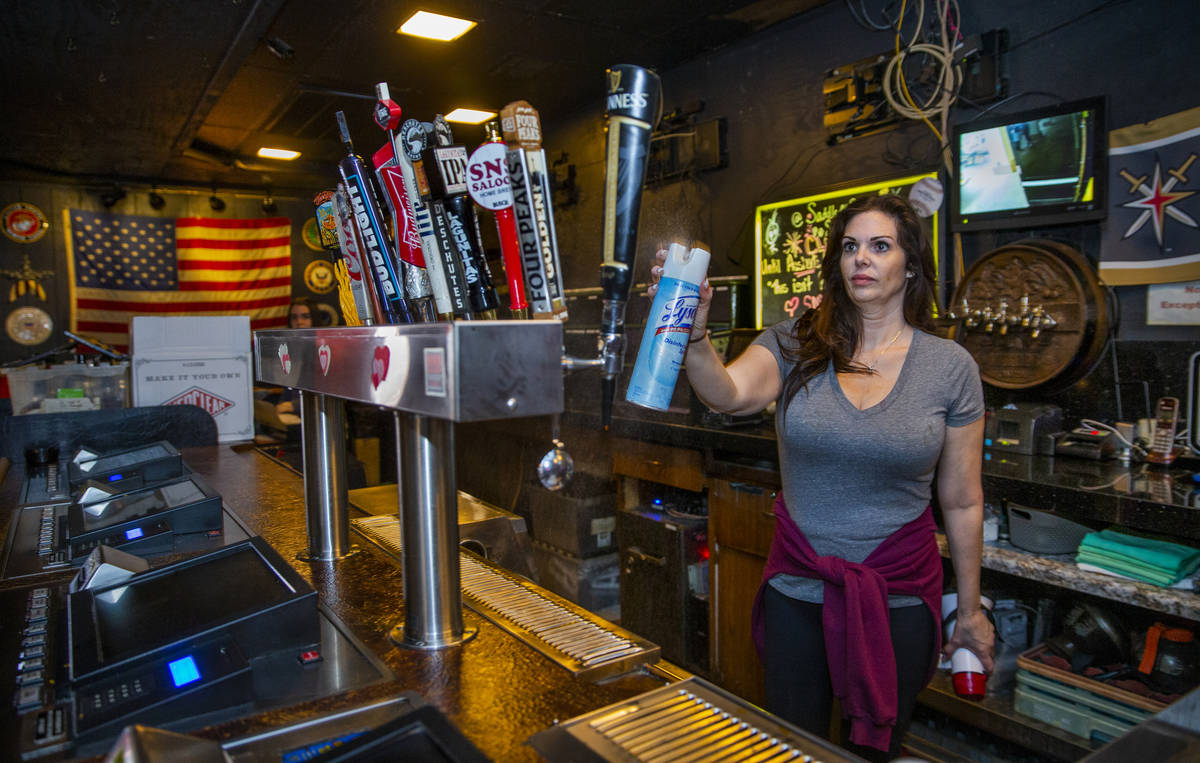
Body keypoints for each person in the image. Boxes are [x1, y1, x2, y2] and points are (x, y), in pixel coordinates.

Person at [648, 194, 994, 761]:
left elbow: (961, 500)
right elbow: (730, 395)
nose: (862, 259)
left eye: (880, 246)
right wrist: (695, 335)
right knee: (793, 746)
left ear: (909, 264)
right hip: (799, 584)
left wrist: (973, 610)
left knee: (878, 749)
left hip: (898, 591)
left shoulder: (950, 368)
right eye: (850, 247)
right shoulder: (796, 341)